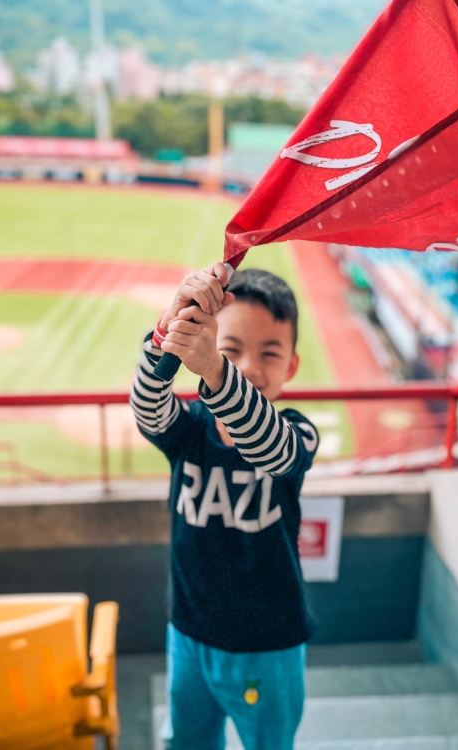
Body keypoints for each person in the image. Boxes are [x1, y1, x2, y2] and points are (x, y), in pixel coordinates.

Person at [130, 263, 319, 750]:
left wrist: (216, 369)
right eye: (231, 349)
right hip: (189, 632)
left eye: (269, 353)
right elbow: (148, 408)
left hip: (267, 646)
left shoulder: (297, 432)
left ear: (291, 367)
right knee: (188, 742)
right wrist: (166, 334)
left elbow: (272, 451)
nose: (249, 367)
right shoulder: (188, 428)